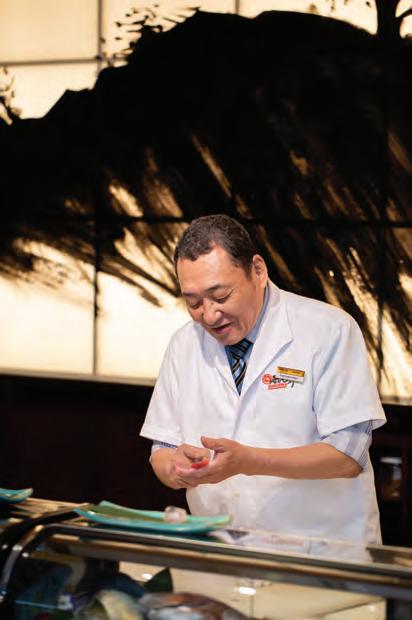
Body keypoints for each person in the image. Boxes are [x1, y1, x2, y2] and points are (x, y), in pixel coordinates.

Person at [140, 215, 386, 543]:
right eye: (194, 302)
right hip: (220, 548)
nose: (209, 315)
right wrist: (177, 469)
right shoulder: (183, 344)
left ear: (258, 270)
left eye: (221, 296)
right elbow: (162, 448)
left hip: (320, 550)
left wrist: (248, 461)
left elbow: (347, 455)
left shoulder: (328, 330)